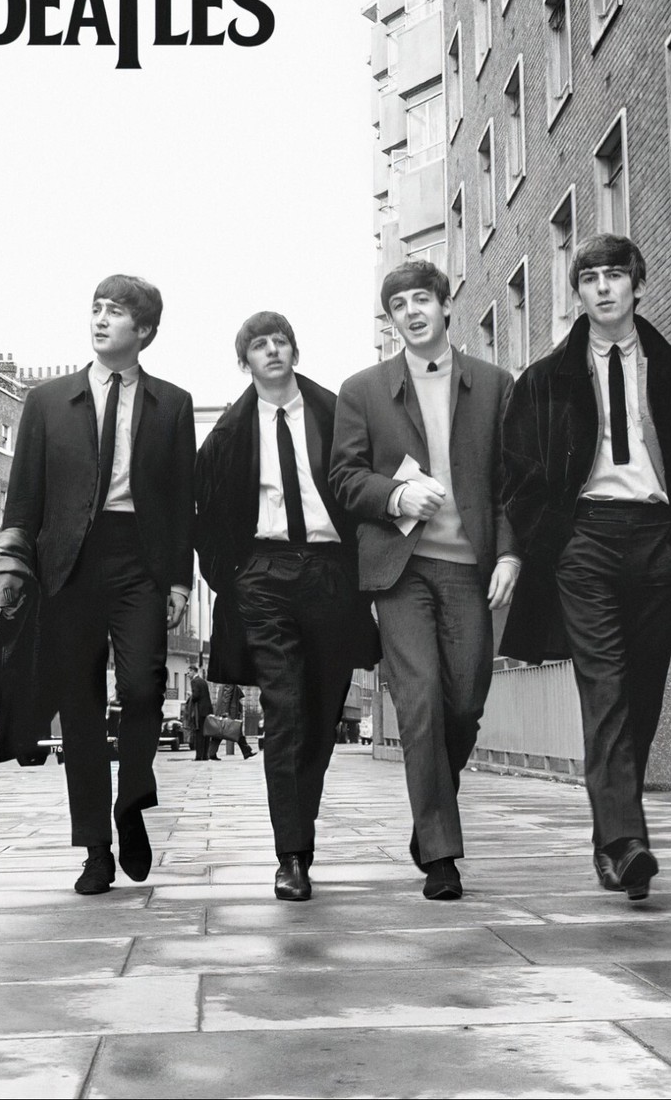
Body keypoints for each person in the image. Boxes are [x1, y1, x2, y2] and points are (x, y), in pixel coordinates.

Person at [500, 234, 671, 900]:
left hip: (662, 544)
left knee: (643, 694)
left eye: (614, 275)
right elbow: (518, 475)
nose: (602, 287)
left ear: (637, 285)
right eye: (589, 277)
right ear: (578, 292)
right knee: (604, 690)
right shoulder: (545, 380)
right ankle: (628, 842)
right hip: (586, 545)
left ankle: (609, 838)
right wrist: (555, 544)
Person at [330, 260, 520, 901]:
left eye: (421, 300)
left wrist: (511, 555)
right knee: (419, 701)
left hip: (471, 567)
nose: (410, 312)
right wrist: (395, 496)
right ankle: (441, 854)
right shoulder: (362, 391)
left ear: (445, 307)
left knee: (463, 702)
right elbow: (345, 478)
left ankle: (431, 810)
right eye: (398, 305)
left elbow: (508, 484)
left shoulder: (495, 385)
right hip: (401, 570)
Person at [4, 274, 195, 895]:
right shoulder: (46, 402)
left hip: (139, 558)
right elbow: (23, 497)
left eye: (115, 312)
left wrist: (179, 580)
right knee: (78, 708)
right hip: (66, 565)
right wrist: (14, 568)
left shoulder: (173, 404)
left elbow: (179, 499)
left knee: (142, 685)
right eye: (96, 309)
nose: (100, 319)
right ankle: (94, 848)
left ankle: (132, 795)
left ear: (143, 331)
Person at [195, 312, 380, 901]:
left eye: (280, 342)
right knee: (285, 711)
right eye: (258, 345)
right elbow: (207, 519)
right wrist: (236, 578)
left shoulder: (335, 411)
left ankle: (302, 832)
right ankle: (291, 856)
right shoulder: (226, 434)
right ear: (244, 360)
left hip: (329, 574)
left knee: (322, 718)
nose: (271, 351)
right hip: (264, 577)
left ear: (294, 352)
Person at [208, 684, 257, 760]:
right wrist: (226, 712)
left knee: (220, 733)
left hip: (224, 712)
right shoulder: (229, 682)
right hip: (228, 713)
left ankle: (211, 753)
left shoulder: (226, 683)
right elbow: (226, 698)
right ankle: (246, 752)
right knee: (233, 732)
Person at [187, 667, 213, 761]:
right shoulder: (203, 681)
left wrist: (191, 695)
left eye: (189, 671)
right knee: (206, 734)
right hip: (207, 710)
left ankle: (199, 756)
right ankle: (205, 755)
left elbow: (196, 696)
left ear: (194, 671)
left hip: (200, 711)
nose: (188, 674)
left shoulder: (194, 681)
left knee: (199, 733)